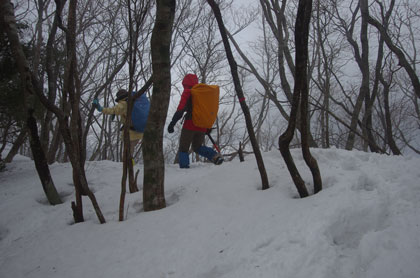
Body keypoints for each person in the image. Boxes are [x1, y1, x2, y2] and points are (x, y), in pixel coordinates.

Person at [167, 74, 223, 168]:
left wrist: (172, 123)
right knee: (197, 147)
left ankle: (184, 168)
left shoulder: (188, 92)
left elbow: (180, 110)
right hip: (202, 125)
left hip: (190, 124)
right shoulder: (202, 92)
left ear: (185, 83)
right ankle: (214, 156)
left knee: (184, 148)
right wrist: (207, 126)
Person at [92, 89, 147, 159]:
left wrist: (100, 108)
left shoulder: (123, 103)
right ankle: (130, 166)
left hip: (131, 133)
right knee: (130, 152)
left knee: (128, 154)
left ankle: (129, 166)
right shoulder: (134, 100)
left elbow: (112, 110)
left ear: (119, 97)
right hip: (140, 131)